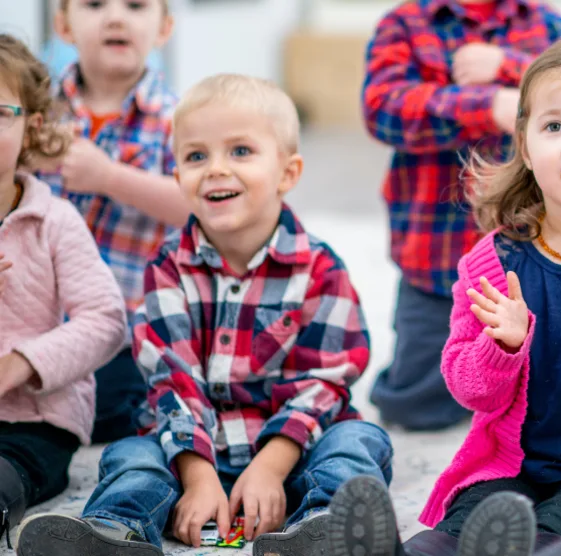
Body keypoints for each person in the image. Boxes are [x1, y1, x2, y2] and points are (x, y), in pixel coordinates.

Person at [331, 37, 561, 556]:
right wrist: (500, 346)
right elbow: (468, 389)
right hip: (510, 463)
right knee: (463, 523)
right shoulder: (490, 261)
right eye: (555, 126)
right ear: (525, 147)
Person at [16, 74, 393, 556]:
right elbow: (172, 383)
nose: (216, 169)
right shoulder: (167, 270)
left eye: (240, 152)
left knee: (358, 441)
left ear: (288, 172)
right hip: (187, 447)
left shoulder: (320, 269)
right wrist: (198, 477)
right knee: (133, 456)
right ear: (179, 179)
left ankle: (330, 527)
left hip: (295, 449)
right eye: (196, 156)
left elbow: (325, 383)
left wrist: (271, 467)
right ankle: (116, 531)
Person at [362, 0, 561, 430]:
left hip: (536, 250)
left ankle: (511, 401)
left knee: (553, 390)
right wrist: (488, 104)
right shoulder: (404, 23)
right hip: (435, 258)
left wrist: (511, 66)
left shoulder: (547, 24)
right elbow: (383, 109)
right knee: (415, 404)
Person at [39, 0, 189, 443]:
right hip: (38, 317)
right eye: (95, 4)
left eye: (136, 5)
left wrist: (109, 177)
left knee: (114, 408)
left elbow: (196, 205)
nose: (116, 16)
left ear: (164, 28)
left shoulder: (178, 119)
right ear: (64, 25)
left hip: (123, 331)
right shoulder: (38, 112)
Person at [0, 33, 126, 547]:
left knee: (8, 472)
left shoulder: (54, 220)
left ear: (30, 127)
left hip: (33, 422)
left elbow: (106, 319)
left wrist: (19, 365)